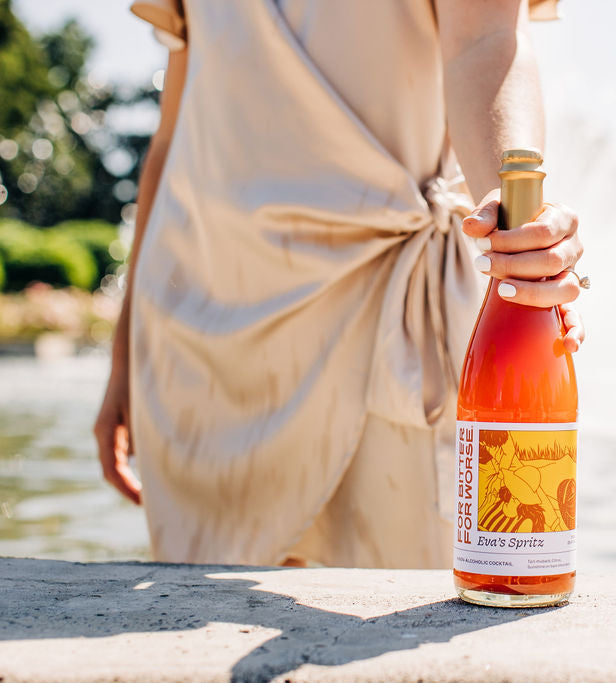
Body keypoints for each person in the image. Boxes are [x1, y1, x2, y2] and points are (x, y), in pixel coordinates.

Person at [92, 0, 586, 568]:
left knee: (405, 641)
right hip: (196, 339)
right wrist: (123, 355)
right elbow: (174, 127)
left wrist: (517, 221)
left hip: (385, 312)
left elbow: (484, 41)